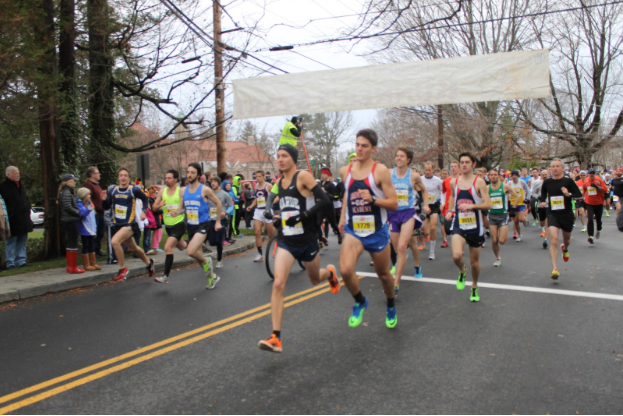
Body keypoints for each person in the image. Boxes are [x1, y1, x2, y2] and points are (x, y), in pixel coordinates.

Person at [257, 144, 340, 353]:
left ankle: (329, 274)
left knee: (314, 279)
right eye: (278, 157)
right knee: (278, 284)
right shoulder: (280, 182)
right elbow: (277, 202)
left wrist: (303, 216)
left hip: (308, 240)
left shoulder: (303, 177)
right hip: (287, 240)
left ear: (293, 159)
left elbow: (326, 201)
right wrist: (272, 215)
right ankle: (276, 337)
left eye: (284, 156)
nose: (280, 160)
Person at [338, 129, 399, 329]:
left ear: (373, 148)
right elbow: (347, 195)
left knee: (383, 275)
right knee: (346, 270)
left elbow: (393, 203)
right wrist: (341, 217)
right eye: (357, 144)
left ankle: (390, 305)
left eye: (364, 145)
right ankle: (360, 301)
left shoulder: (380, 171)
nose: (359, 149)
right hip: (354, 230)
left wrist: (373, 199)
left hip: (377, 230)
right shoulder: (345, 171)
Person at [445, 153, 492, 302]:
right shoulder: (454, 182)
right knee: (457, 255)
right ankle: (462, 271)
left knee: (474, 263)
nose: (464, 165)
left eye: (467, 162)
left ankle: (474, 285)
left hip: (475, 226)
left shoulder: (479, 183)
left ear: (473, 165)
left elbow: (488, 204)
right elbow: (453, 195)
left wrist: (471, 205)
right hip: (459, 224)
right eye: (462, 162)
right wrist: (450, 210)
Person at [172, 163, 223, 288]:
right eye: (188, 172)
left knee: (190, 251)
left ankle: (207, 260)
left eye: (192, 172)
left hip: (203, 225)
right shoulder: (183, 191)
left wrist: (217, 221)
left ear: (199, 175)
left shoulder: (204, 189)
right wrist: (177, 212)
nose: (189, 175)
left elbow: (218, 203)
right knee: (197, 256)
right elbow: (182, 208)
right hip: (191, 226)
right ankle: (213, 277)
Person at [101, 167, 155, 281]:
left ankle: (122, 269)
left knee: (115, 242)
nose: (123, 177)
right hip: (118, 225)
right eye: (121, 175)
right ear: (118, 178)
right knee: (134, 248)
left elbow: (145, 199)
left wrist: (144, 211)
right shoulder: (113, 190)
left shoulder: (133, 190)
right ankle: (149, 263)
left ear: (129, 178)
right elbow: (106, 207)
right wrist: (103, 200)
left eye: (125, 175)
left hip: (130, 224)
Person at [389, 146, 428, 294]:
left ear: (408, 160)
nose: (398, 158)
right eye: (397, 156)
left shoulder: (414, 176)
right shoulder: (389, 173)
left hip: (408, 214)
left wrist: (426, 205)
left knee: (403, 246)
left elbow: (423, 190)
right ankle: (403, 259)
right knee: (397, 248)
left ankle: (396, 282)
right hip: (393, 214)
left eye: (402, 156)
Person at [538, 159, 582, 280]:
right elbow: (542, 196)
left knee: (566, 240)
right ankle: (555, 269)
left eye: (558, 166)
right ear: (550, 169)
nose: (555, 168)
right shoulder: (547, 182)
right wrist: (542, 202)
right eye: (553, 166)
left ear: (563, 168)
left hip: (567, 214)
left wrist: (568, 195)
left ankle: (565, 248)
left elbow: (579, 195)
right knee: (554, 240)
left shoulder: (568, 181)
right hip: (553, 214)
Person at [152, 170, 187, 283]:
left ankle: (165, 276)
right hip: (168, 225)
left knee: (168, 248)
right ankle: (197, 243)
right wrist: (159, 205)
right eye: (166, 178)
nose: (167, 180)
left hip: (179, 223)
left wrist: (178, 212)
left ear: (176, 179)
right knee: (182, 246)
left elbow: (185, 207)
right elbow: (153, 208)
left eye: (169, 178)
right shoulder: (162, 192)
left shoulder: (180, 191)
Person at [0, 166, 34, 268]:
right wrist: (11, 213)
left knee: (22, 240)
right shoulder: (3, 187)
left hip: (23, 218)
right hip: (12, 219)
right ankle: (10, 262)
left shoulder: (20, 186)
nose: (17, 175)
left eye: (18, 173)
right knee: (11, 241)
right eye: (15, 174)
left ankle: (21, 260)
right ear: (8, 174)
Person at [487, 169, 519, 267]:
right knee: (494, 239)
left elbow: (517, 196)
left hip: (503, 215)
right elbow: (481, 197)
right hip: (492, 216)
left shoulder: (505, 186)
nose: (493, 176)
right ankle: (497, 258)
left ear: (499, 176)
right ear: (489, 177)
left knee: (502, 241)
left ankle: (498, 256)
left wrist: (513, 209)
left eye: (495, 175)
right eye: (491, 175)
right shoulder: (487, 188)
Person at [58, 174, 85, 274]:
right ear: (68, 182)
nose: (74, 182)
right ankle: (72, 267)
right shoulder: (66, 193)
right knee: (73, 242)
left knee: (71, 242)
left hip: (68, 219)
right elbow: (67, 207)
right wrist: (78, 212)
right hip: (70, 219)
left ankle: (71, 266)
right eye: (73, 181)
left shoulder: (65, 192)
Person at [247, 170, 275, 262]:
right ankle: (260, 254)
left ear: (263, 176)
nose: (257, 178)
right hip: (258, 210)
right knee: (257, 232)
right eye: (256, 177)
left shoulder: (268, 186)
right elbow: (256, 198)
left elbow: (276, 196)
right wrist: (251, 206)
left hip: (267, 211)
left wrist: (269, 205)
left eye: (259, 176)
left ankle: (279, 239)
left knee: (271, 234)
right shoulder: (256, 187)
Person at [208, 176, 231, 270]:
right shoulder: (208, 194)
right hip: (211, 219)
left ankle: (219, 260)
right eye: (211, 182)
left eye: (214, 181)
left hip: (221, 219)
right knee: (212, 241)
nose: (212, 183)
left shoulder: (224, 194)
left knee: (218, 240)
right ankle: (218, 249)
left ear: (219, 183)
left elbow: (230, 206)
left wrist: (225, 212)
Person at [421, 161, 443, 260]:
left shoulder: (438, 180)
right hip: (425, 205)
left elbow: (443, 191)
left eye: (429, 170)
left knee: (433, 228)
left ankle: (432, 251)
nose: (427, 172)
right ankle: (426, 236)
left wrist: (442, 203)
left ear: (433, 170)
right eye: (426, 170)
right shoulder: (420, 179)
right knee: (426, 231)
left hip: (434, 205)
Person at [82, 166, 106, 256]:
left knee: (100, 233)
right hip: (95, 213)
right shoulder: (88, 185)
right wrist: (93, 209)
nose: (99, 174)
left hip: (101, 213)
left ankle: (97, 250)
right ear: (92, 175)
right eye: (97, 173)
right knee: (94, 233)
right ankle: (92, 251)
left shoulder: (96, 185)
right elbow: (87, 198)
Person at [77, 187, 101, 271]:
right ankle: (86, 264)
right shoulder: (79, 204)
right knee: (86, 245)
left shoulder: (88, 202)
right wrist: (89, 209)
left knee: (92, 245)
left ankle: (93, 263)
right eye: (88, 194)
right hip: (85, 228)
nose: (89, 196)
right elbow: (83, 214)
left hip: (91, 228)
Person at [317, 168, 342, 246]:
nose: (322, 176)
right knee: (317, 223)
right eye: (321, 174)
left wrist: (325, 192)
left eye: (324, 174)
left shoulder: (331, 185)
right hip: (320, 207)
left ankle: (338, 234)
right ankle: (320, 240)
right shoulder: (319, 184)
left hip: (329, 207)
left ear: (328, 175)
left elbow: (334, 197)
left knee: (333, 224)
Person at [582, 168, 608, 244]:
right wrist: (584, 198)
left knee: (598, 219)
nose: (591, 174)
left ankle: (599, 229)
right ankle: (590, 236)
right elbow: (584, 190)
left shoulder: (599, 180)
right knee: (590, 219)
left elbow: (605, 189)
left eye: (593, 173)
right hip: (589, 203)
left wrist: (597, 187)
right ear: (588, 174)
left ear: (595, 174)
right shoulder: (586, 181)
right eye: (590, 173)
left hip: (599, 202)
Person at [440, 161, 459, 248]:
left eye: (455, 166)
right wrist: (443, 203)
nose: (453, 168)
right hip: (448, 207)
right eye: (452, 167)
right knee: (445, 225)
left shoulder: (462, 180)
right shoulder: (446, 181)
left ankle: (458, 244)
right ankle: (445, 239)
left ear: (459, 168)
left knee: (457, 227)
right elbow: (443, 193)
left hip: (459, 207)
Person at [508, 170, 531, 242]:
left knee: (520, 219)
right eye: (512, 175)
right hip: (513, 204)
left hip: (521, 203)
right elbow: (506, 193)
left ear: (518, 176)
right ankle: (520, 235)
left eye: (515, 175)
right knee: (516, 221)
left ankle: (524, 220)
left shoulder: (522, 182)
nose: (514, 177)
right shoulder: (509, 183)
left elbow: (528, 191)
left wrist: (527, 199)